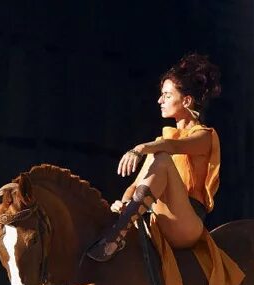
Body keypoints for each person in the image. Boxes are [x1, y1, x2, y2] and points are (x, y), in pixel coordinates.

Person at [87, 53, 222, 262]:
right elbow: (134, 186)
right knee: (158, 158)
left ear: (186, 100)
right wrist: (123, 203)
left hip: (187, 224)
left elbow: (173, 146)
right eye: (161, 95)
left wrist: (140, 148)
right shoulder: (160, 144)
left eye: (167, 95)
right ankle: (122, 224)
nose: (160, 100)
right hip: (158, 220)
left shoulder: (204, 136)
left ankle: (117, 234)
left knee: (161, 158)